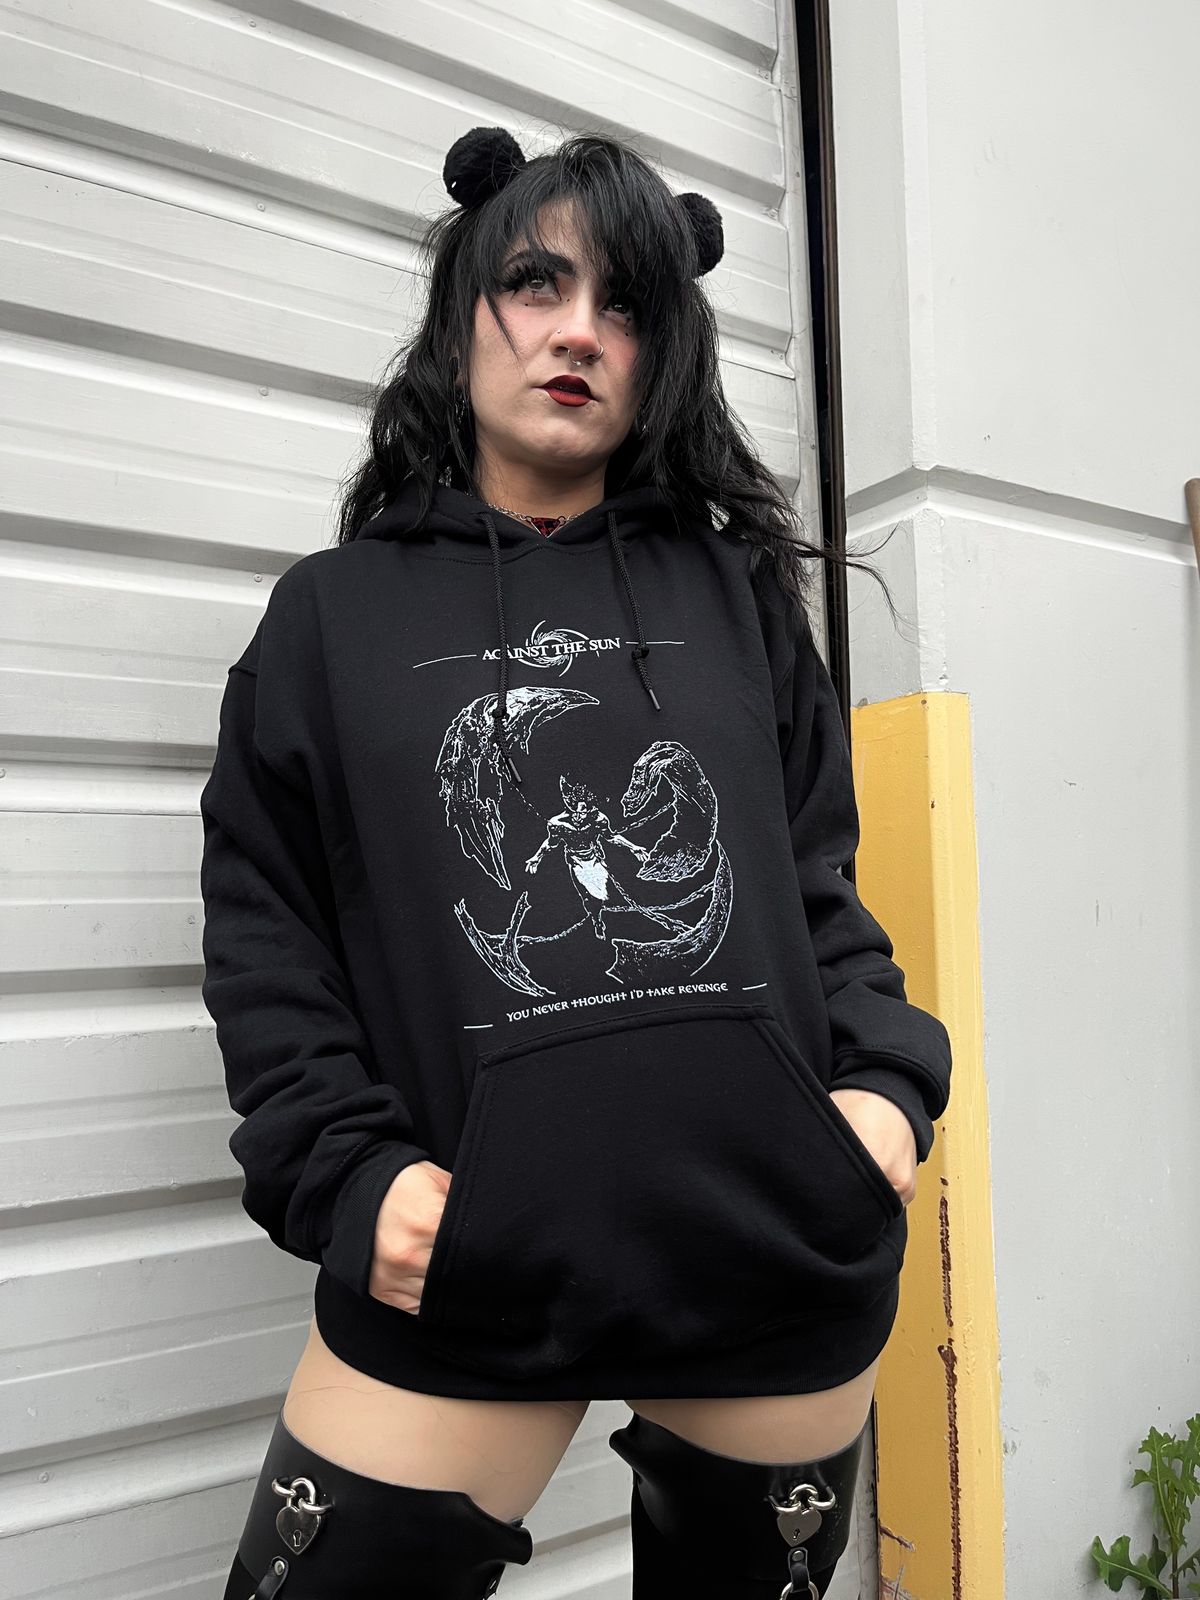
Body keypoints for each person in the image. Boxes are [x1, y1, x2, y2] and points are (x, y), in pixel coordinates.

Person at [200, 125, 952, 1600]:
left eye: (626, 304)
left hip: (772, 1251)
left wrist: (878, 1094)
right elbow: (267, 933)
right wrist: (347, 1176)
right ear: (462, 315)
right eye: (538, 282)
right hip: (470, 1272)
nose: (578, 331)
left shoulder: (736, 595)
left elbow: (818, 885)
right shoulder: (329, 619)